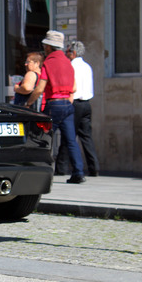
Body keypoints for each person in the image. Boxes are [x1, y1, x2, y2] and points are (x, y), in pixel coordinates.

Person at [26, 30, 85, 184]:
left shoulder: (49, 63)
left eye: (45, 45)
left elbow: (40, 88)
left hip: (54, 104)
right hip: (67, 103)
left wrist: (29, 103)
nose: (44, 47)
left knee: (42, 139)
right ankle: (78, 172)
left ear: (49, 47)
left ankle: (38, 171)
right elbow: (74, 87)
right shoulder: (68, 62)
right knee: (71, 140)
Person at [56, 41, 100, 176]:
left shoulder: (71, 67)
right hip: (86, 104)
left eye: (67, 52)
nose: (66, 54)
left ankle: (61, 168)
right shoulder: (87, 66)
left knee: (68, 136)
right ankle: (94, 167)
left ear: (73, 53)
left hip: (74, 103)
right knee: (86, 137)